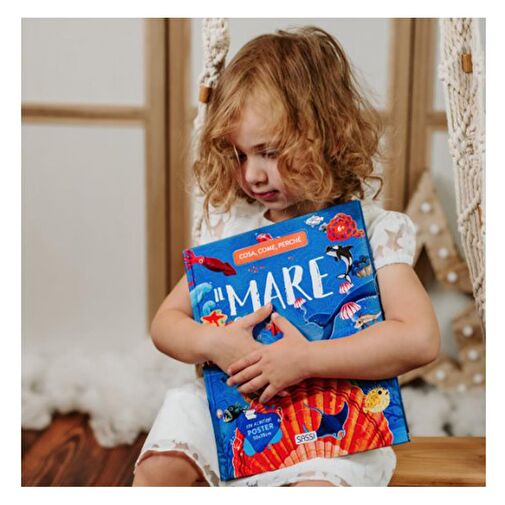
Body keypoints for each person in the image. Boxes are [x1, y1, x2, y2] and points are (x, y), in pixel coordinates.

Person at [132, 26, 440, 487]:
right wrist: (214, 343)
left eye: (269, 152)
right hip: (239, 409)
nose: (253, 175)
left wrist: (306, 359)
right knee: (162, 459)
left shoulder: (372, 232)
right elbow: (165, 323)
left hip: (331, 413)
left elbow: (419, 339)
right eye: (240, 155)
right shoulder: (236, 228)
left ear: (328, 138)